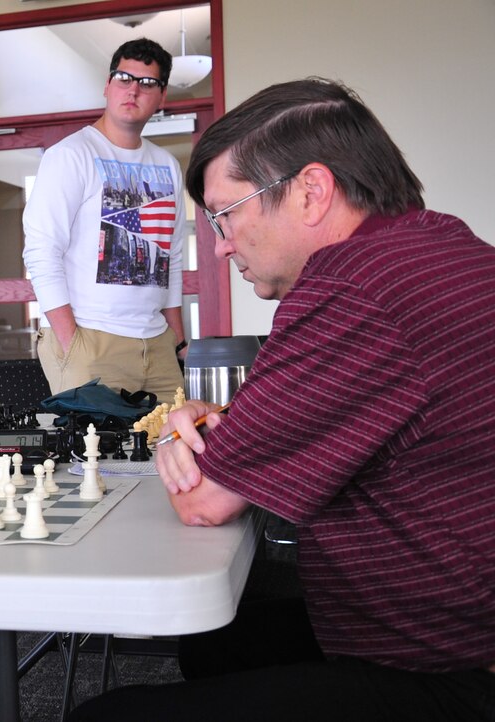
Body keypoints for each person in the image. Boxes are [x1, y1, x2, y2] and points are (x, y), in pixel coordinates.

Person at [69, 79, 495, 721]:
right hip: (454, 614)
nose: (219, 244)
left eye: (225, 214)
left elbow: (206, 501)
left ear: (310, 191)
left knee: (102, 717)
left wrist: (175, 436)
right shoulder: (435, 245)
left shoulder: (353, 289)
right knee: (221, 646)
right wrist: (223, 425)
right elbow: (360, 408)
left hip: (451, 658)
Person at [23, 38, 187, 399]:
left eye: (147, 83)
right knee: (95, 456)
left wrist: (178, 339)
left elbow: (171, 258)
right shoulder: (70, 156)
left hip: (157, 342)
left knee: (174, 450)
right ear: (107, 85)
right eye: (124, 78)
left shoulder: (167, 166)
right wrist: (70, 341)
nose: (133, 90)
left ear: (162, 98)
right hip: (90, 339)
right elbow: (40, 251)